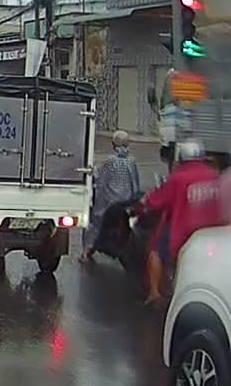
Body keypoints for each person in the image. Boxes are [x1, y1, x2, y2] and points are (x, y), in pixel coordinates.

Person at [137, 140, 223, 305]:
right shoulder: (214, 175)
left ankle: (154, 292)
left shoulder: (178, 177)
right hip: (210, 229)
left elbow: (156, 200)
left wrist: (144, 202)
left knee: (155, 251)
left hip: (183, 227)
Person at [82, 130, 142, 262]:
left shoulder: (109, 161)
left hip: (109, 202)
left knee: (95, 222)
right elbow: (135, 182)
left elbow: (101, 181)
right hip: (126, 201)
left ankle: (86, 252)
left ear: (113, 144)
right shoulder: (131, 161)